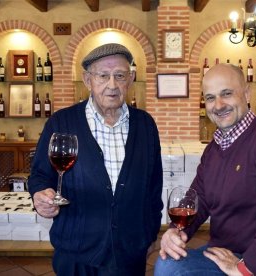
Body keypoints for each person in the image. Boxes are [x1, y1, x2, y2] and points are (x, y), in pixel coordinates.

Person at [155, 64, 256, 276]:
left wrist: (246, 268)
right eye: (210, 98)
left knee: (172, 271)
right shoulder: (214, 147)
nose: (218, 105)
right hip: (224, 254)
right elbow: (198, 198)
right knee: (166, 264)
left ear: (246, 94)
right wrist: (175, 231)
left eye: (226, 94)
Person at [28, 43, 163, 276]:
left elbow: (154, 186)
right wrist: (40, 195)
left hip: (128, 252)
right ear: (87, 80)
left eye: (119, 75)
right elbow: (40, 176)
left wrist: (150, 234)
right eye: (103, 75)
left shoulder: (145, 124)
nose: (112, 85)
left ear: (130, 79)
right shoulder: (61, 122)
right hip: (75, 251)